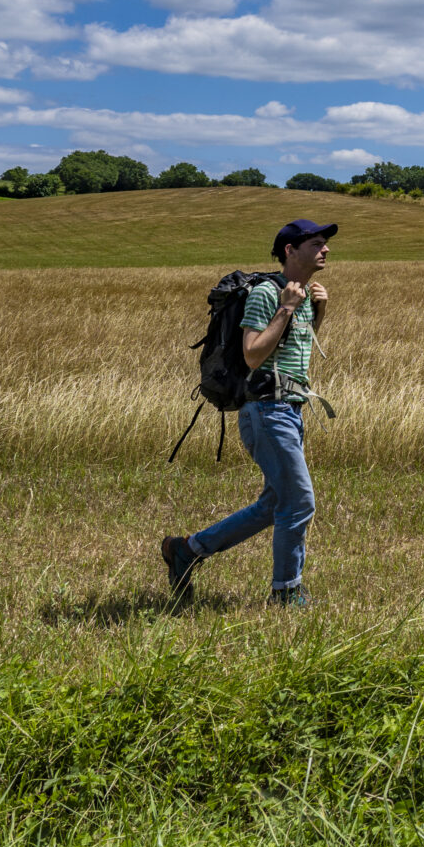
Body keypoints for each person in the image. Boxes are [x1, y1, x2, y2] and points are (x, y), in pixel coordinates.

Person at [161, 218, 335, 605]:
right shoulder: (265, 294)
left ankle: (187, 550)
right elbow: (254, 354)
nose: (325, 250)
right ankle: (286, 594)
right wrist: (287, 308)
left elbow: (293, 351)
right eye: (316, 244)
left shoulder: (302, 293)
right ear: (290, 250)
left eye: (325, 244)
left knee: (274, 505)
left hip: (290, 410)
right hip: (267, 409)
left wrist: (316, 310)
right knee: (299, 503)